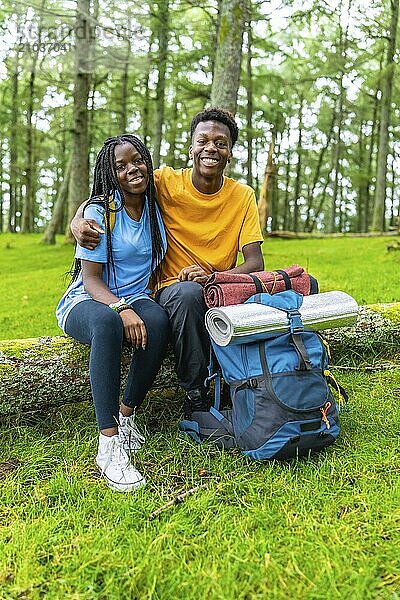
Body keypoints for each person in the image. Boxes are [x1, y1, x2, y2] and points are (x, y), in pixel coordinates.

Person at [71, 107, 264, 419]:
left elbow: (255, 262)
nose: (211, 148)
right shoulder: (164, 182)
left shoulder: (242, 195)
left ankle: (242, 382)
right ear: (191, 149)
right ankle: (196, 395)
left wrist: (215, 276)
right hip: (171, 289)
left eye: (220, 142)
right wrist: (77, 219)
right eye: (203, 141)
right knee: (187, 294)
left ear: (230, 152)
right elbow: (111, 189)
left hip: (220, 285)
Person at [57, 134, 169, 492]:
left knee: (158, 320)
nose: (131, 169)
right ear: (110, 174)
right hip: (88, 301)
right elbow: (90, 280)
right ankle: (108, 444)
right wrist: (120, 308)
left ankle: (127, 415)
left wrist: (136, 303)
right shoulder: (100, 212)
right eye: (120, 166)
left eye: (136, 160)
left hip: (135, 296)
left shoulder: (155, 204)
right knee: (107, 323)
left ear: (147, 161)